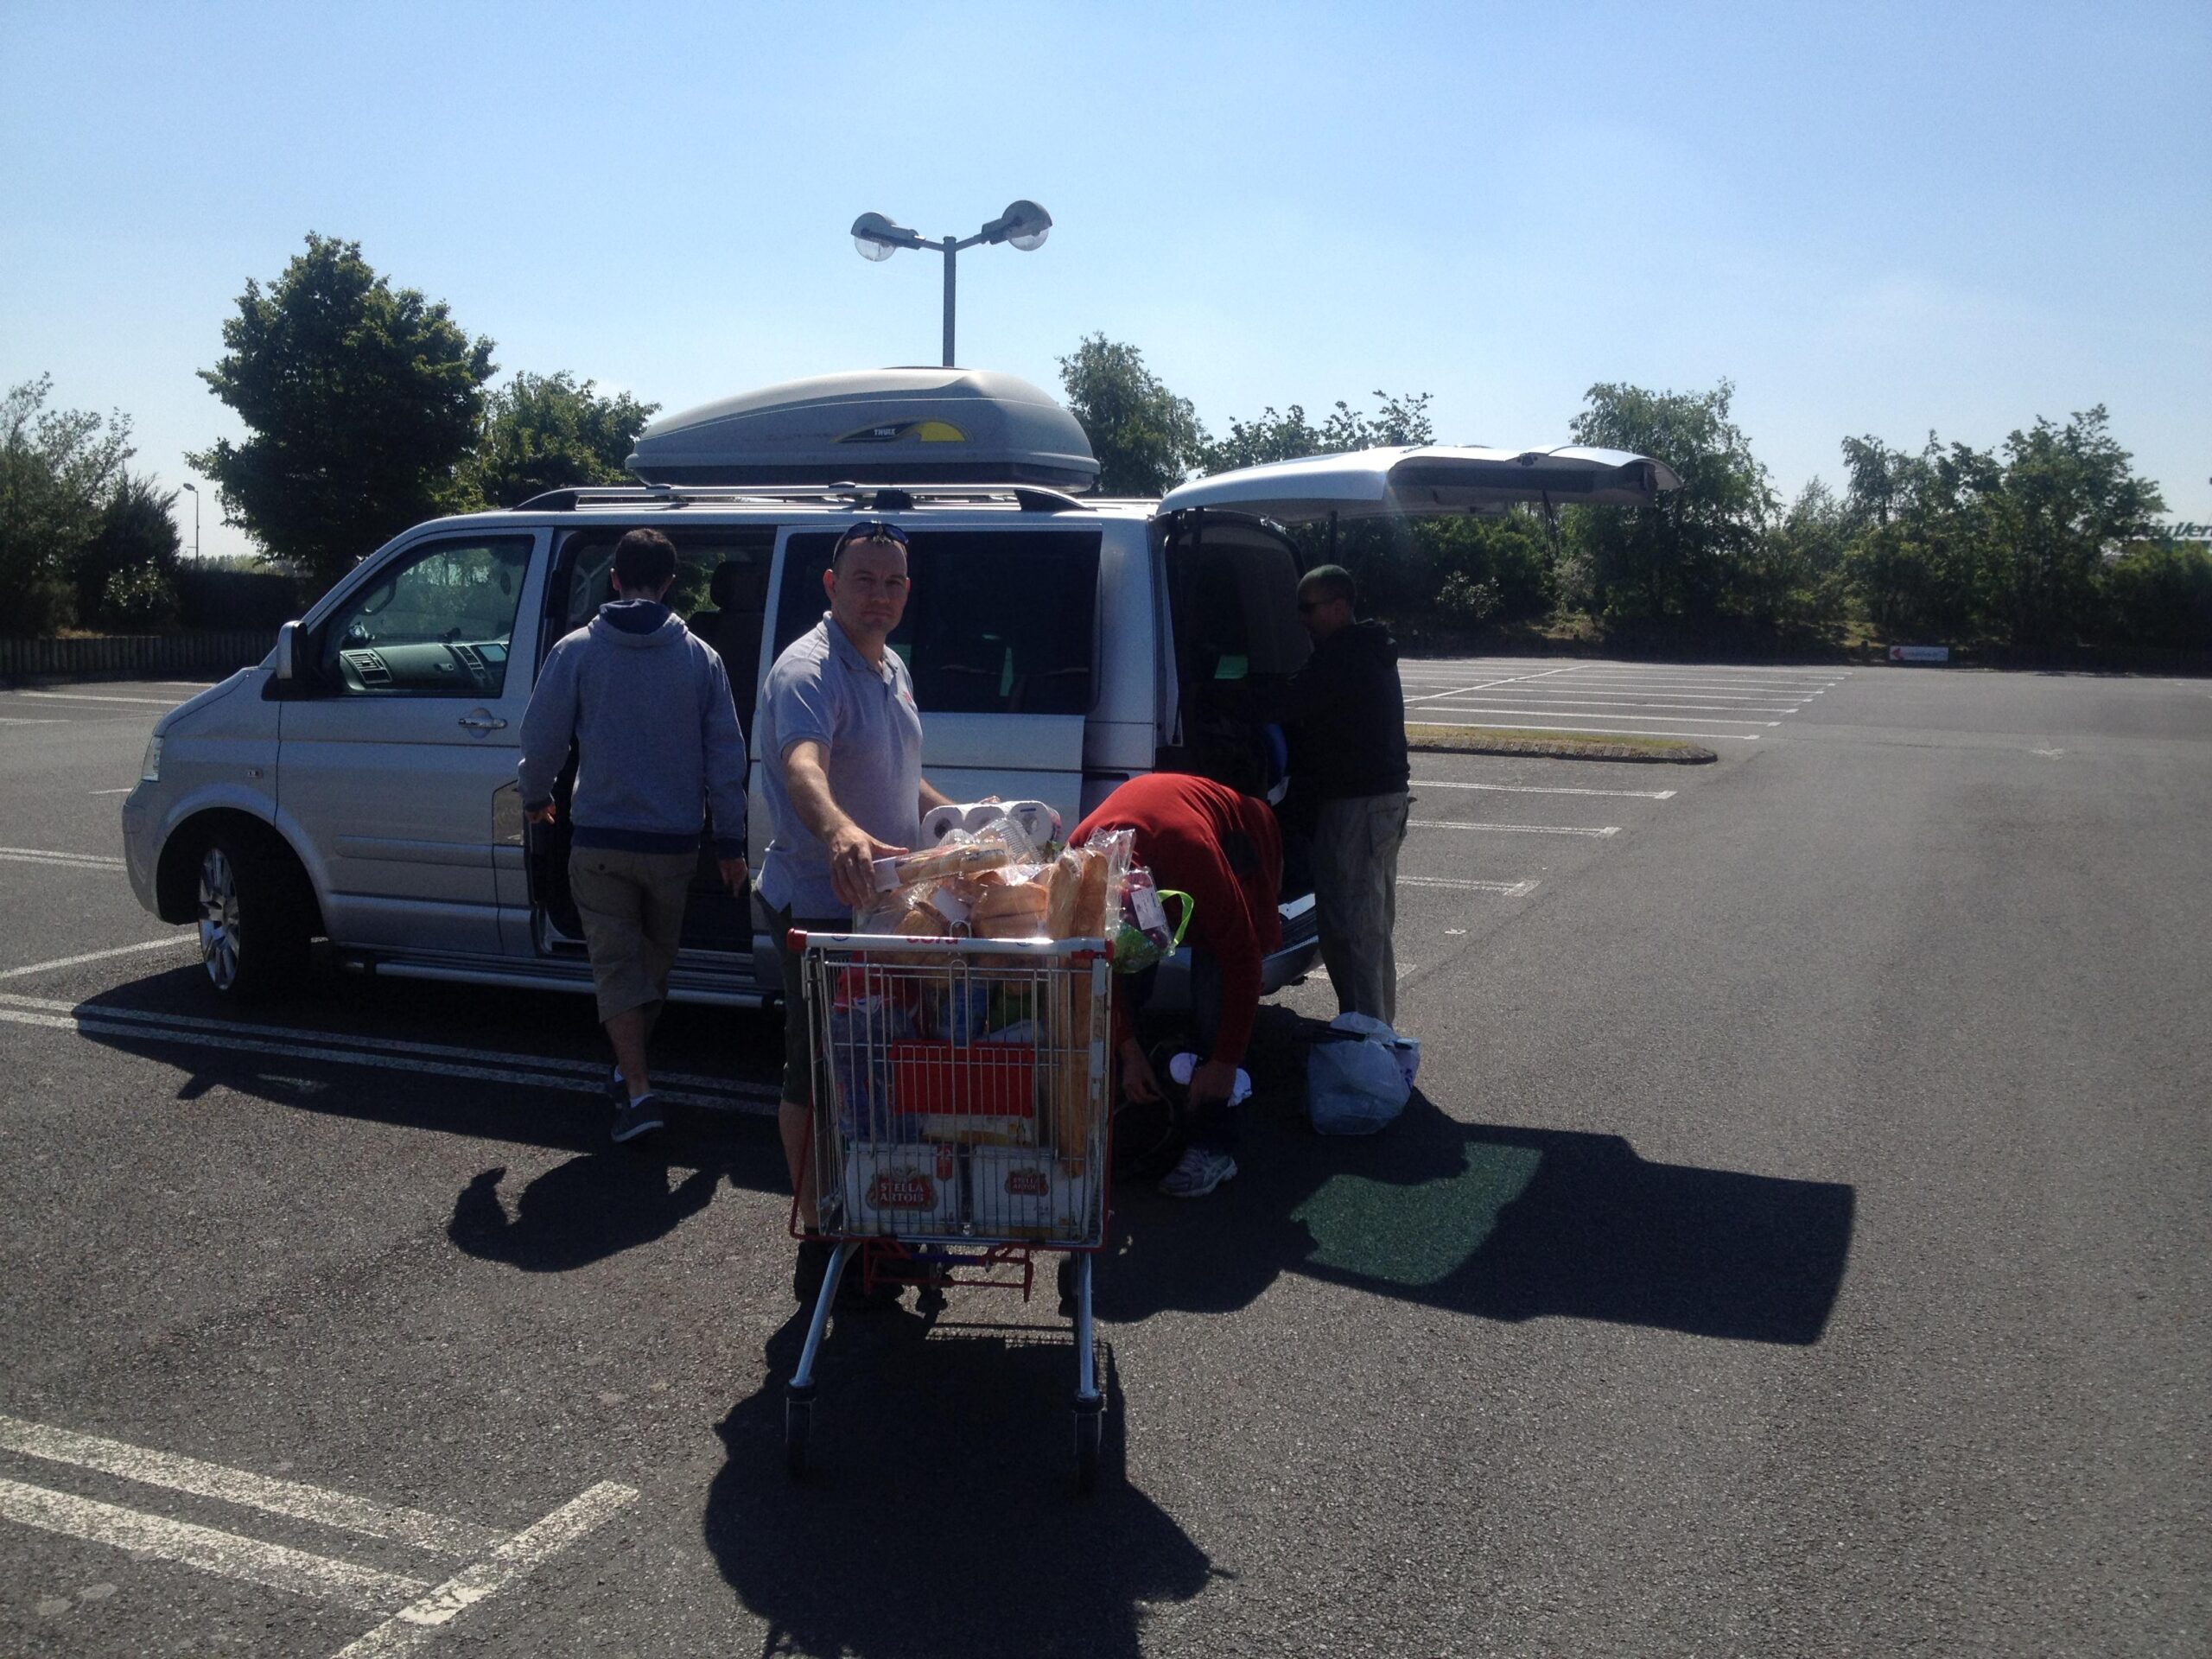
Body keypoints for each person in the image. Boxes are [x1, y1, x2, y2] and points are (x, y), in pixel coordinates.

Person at [754, 520, 955, 1301]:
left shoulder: (891, 665)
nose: (881, 594)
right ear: (832, 586)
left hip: (885, 909)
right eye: (866, 579)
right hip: (821, 908)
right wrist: (838, 829)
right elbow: (803, 764)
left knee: (876, 1071)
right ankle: (820, 1225)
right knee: (819, 1071)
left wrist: (962, 818)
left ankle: (875, 1218)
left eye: (894, 581)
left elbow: (906, 782)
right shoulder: (808, 670)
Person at [518, 527, 750, 1144]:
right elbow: (726, 757)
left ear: (614, 577)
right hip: (674, 846)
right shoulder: (702, 657)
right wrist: (730, 843)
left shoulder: (575, 651)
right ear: (671, 584)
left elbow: (542, 740)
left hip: (598, 841)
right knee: (652, 966)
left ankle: (639, 1089)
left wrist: (536, 795)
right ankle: (633, 1075)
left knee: (619, 969)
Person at [1072, 772, 1283, 1198]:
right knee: (1125, 975)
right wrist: (1129, 1051)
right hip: (1164, 854)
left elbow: (1244, 962)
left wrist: (1223, 1064)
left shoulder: (1192, 855)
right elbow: (1098, 970)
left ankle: (1216, 1142)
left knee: (1215, 990)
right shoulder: (1081, 859)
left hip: (1241, 839)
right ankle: (1141, 1099)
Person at [1279, 563, 1410, 1025]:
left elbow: (1291, 701)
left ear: (1338, 607)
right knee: (1359, 924)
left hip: (1361, 806)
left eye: (1308, 609)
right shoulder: (1360, 650)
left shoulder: (1345, 656)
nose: (1301, 619)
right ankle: (1369, 1029)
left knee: (1357, 929)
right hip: (1371, 805)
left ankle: (1370, 1043)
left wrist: (1220, 695)